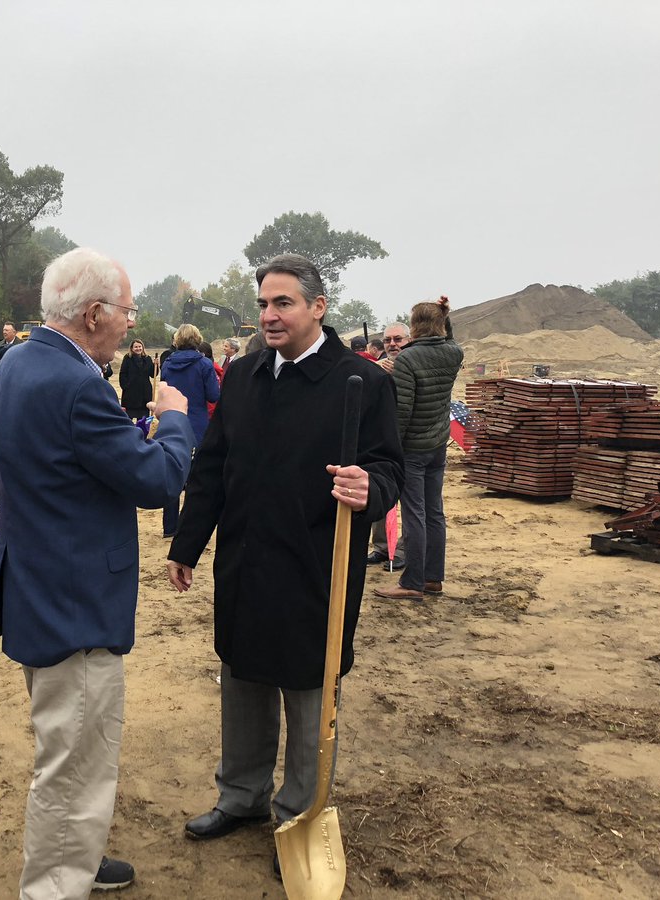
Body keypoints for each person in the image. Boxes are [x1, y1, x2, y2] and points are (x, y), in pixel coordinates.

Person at [166, 254, 403, 878]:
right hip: (245, 558)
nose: (269, 316)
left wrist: (368, 487)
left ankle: (299, 813)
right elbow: (212, 466)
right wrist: (186, 543)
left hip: (315, 564)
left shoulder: (362, 382)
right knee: (242, 678)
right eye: (264, 305)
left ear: (318, 308)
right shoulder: (242, 376)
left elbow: (389, 468)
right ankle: (241, 796)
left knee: (307, 688)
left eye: (284, 304)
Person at [0, 247, 194, 897]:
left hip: (37, 586)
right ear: (96, 313)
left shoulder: (20, 362)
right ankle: (54, 883)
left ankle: (77, 851)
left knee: (70, 747)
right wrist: (175, 421)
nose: (132, 322)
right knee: (74, 761)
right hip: (70, 601)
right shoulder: (75, 383)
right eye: (128, 310)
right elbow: (158, 479)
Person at [373, 297, 463, 601]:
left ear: (413, 328)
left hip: (412, 448)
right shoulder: (454, 353)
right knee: (434, 512)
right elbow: (448, 338)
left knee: (414, 514)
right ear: (440, 324)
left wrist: (390, 449)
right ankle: (433, 578)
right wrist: (445, 317)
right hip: (438, 444)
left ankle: (412, 581)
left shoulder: (409, 360)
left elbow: (403, 412)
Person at [159, 324, 220, 537]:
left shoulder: (167, 363)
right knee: (196, 479)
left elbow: (163, 389)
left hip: (172, 422)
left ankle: (169, 526)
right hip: (196, 425)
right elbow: (214, 395)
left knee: (173, 472)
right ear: (197, 339)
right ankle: (189, 527)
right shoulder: (204, 364)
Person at [367, 322, 411, 567]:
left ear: (409, 339)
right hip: (383, 442)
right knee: (382, 495)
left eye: (398, 339)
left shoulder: (415, 364)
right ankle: (382, 547)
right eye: (388, 340)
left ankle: (402, 551)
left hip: (411, 443)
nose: (392, 344)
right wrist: (375, 367)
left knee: (410, 503)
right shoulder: (378, 366)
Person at [118, 339, 154, 420]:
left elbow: (152, 374)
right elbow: (123, 373)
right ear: (132, 348)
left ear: (143, 347)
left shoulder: (147, 359)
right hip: (130, 394)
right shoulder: (127, 358)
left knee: (143, 420)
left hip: (144, 393)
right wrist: (125, 386)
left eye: (140, 347)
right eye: (136, 347)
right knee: (128, 418)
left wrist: (156, 365)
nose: (138, 349)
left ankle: (142, 432)